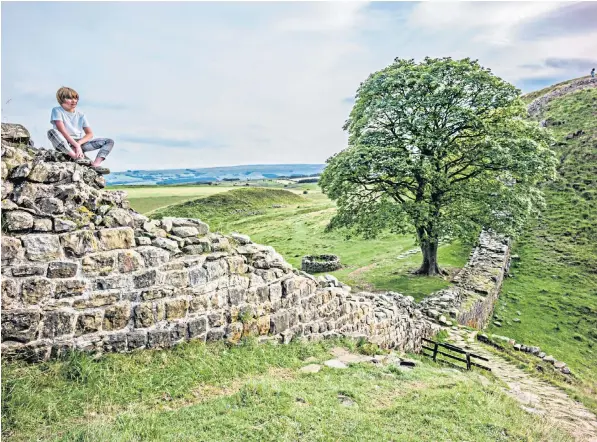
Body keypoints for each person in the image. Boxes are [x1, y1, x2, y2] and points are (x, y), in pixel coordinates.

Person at [47, 86, 113, 173]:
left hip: (80, 142)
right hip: (64, 142)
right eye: (69, 98)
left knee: (109, 141)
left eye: (75, 98)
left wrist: (78, 144)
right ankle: (76, 157)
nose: (74, 101)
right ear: (61, 99)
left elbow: (89, 134)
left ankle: (95, 164)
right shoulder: (57, 110)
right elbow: (63, 131)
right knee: (52, 132)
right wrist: (76, 146)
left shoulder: (81, 114)